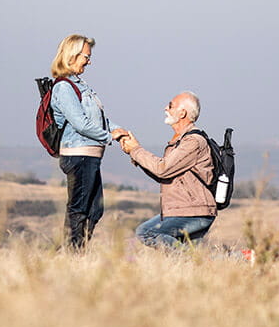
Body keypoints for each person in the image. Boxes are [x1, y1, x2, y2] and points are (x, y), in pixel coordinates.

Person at [49, 34, 124, 249]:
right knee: (79, 209)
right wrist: (109, 137)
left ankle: (73, 250)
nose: (89, 61)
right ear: (72, 55)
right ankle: (71, 253)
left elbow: (97, 119)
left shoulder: (79, 84)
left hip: (89, 156)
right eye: (86, 56)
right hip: (78, 155)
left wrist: (117, 130)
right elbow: (81, 124)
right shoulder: (63, 88)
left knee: (94, 210)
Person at [112, 91, 216, 247]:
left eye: (170, 105)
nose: (165, 108)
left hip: (193, 211)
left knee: (147, 232)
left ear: (182, 113)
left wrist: (136, 150)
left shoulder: (193, 142)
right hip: (185, 210)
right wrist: (134, 153)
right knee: (195, 255)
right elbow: (162, 175)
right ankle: (242, 258)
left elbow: (162, 169)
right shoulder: (179, 142)